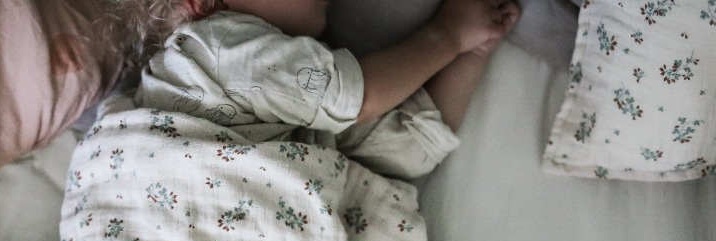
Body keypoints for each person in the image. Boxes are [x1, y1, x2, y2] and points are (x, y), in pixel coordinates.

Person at [134, 0, 520, 138]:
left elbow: (404, 142)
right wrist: (448, 36)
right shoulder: (214, 47)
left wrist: (472, 47)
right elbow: (360, 96)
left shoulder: (291, 98)